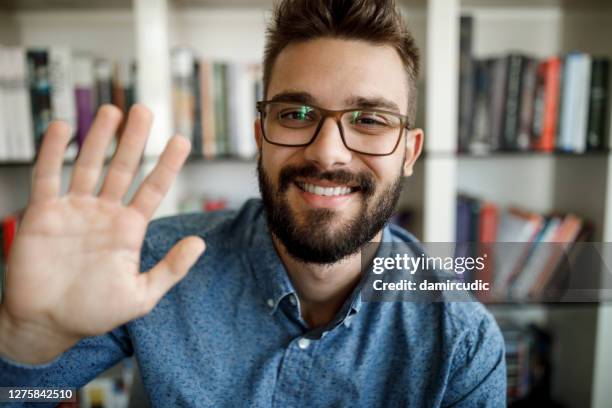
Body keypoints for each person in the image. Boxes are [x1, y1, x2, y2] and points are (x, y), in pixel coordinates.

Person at [0, 0, 506, 406]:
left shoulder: (460, 341)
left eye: (369, 120)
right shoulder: (155, 265)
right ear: (260, 135)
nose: (327, 151)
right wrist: (25, 343)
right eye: (296, 113)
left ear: (409, 153)